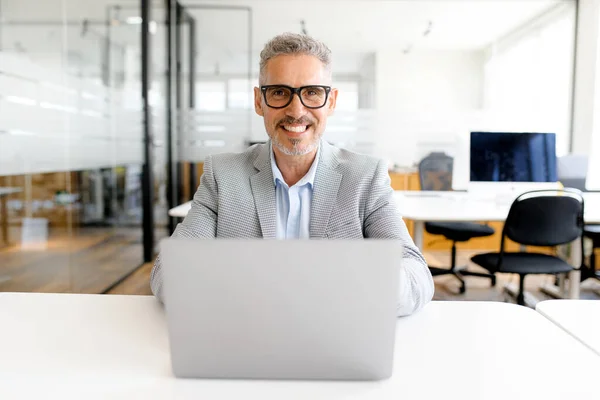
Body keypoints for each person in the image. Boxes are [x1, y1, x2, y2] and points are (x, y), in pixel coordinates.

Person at [151, 33, 434, 316]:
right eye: (279, 92)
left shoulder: (365, 177)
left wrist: (356, 280)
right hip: (248, 334)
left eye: (312, 92)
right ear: (259, 101)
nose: (296, 111)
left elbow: (417, 277)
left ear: (331, 101)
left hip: (334, 335)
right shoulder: (221, 175)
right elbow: (167, 273)